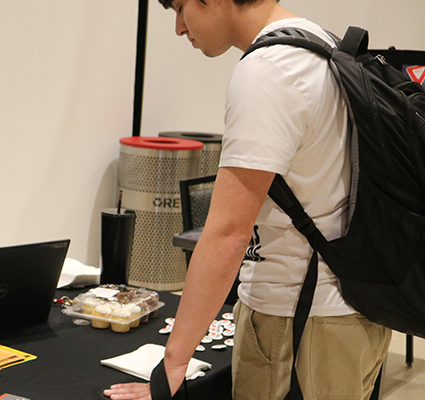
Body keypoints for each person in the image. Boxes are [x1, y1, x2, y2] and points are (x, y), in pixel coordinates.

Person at [104, 1, 390, 399]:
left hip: (299, 319)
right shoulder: (323, 45)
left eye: (182, 7)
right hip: (354, 310)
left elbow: (227, 234)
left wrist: (172, 366)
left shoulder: (268, 71)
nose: (179, 28)